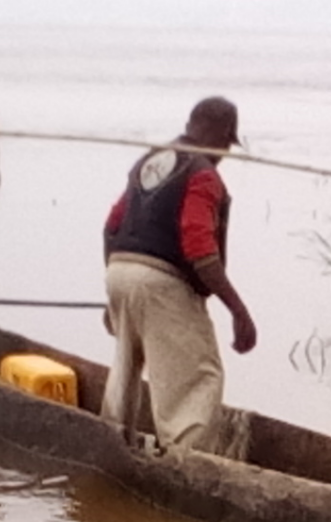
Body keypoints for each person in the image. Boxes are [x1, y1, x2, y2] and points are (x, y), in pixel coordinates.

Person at [100, 96, 257, 453]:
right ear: (223, 134)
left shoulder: (149, 161)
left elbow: (111, 227)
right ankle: (187, 465)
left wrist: (113, 291)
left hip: (120, 270)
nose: (224, 155)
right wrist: (238, 310)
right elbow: (199, 249)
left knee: (125, 368)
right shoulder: (202, 174)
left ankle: (112, 445)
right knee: (197, 379)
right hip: (162, 282)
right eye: (227, 145)